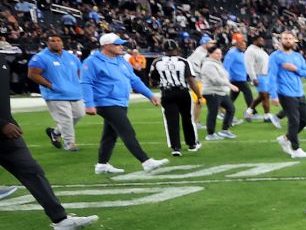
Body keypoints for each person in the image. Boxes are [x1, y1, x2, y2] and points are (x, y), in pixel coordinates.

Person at [0, 37, 97, 230]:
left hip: (7, 132)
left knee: (32, 170)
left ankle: (61, 220)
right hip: (4, 127)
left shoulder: (3, 62)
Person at [82, 33, 168, 175]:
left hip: (120, 101)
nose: (121, 47)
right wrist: (89, 104)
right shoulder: (92, 61)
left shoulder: (121, 60)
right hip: (105, 101)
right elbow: (86, 82)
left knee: (110, 134)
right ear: (106, 46)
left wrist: (150, 94)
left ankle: (102, 164)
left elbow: (134, 80)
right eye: (117, 44)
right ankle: (146, 161)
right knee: (126, 130)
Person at [27, 34, 85, 152]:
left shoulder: (71, 57)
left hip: (74, 92)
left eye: (58, 40)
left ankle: (55, 132)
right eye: (52, 41)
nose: (56, 43)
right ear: (48, 43)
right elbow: (32, 74)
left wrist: (79, 85)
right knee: (66, 119)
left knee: (79, 115)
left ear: (62, 43)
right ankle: (70, 143)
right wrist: (50, 86)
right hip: (55, 94)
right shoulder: (40, 57)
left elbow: (79, 71)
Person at [268, 31, 306, 158]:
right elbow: (271, 76)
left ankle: (285, 138)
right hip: (284, 93)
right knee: (294, 120)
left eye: (290, 38)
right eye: (285, 38)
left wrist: (295, 69)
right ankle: (295, 149)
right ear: (280, 40)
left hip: (299, 92)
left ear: (294, 41)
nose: (288, 40)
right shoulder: (275, 56)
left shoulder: (298, 56)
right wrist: (273, 95)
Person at [151, 42, 200, 157]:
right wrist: (198, 94)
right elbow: (191, 80)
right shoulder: (183, 61)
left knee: (171, 121)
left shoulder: (157, 62)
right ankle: (192, 143)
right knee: (187, 118)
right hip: (182, 91)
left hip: (167, 92)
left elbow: (153, 80)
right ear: (177, 49)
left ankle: (175, 147)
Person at [200, 48, 239, 140]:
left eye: (220, 53)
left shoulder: (217, 63)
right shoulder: (208, 65)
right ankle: (210, 134)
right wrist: (230, 85)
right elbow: (215, 79)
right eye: (217, 53)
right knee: (213, 112)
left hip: (221, 92)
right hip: (212, 92)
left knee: (231, 109)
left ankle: (225, 130)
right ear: (210, 54)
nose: (220, 55)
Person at [245, 34, 278, 126]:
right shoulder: (250, 51)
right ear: (255, 41)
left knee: (263, 96)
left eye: (262, 40)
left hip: (266, 76)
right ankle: (267, 116)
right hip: (259, 76)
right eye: (260, 40)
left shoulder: (261, 50)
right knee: (265, 95)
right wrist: (253, 78)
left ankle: (249, 111)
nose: (262, 42)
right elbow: (249, 65)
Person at [225, 35, 253, 124]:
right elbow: (226, 65)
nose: (243, 46)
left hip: (241, 78)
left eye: (244, 45)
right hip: (236, 79)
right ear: (236, 44)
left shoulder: (241, 53)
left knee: (231, 99)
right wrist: (226, 78)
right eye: (241, 44)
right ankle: (250, 112)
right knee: (248, 93)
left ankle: (228, 115)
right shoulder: (232, 53)